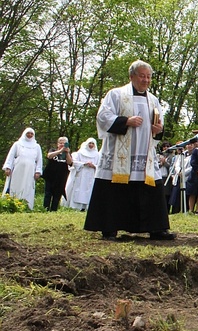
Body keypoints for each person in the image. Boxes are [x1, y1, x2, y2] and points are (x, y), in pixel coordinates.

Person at [84, 60, 174, 241]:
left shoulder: (153, 100)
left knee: (149, 189)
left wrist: (158, 130)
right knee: (114, 190)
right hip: (120, 153)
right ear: (132, 76)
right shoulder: (116, 95)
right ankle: (109, 228)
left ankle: (156, 228)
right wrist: (126, 121)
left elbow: (159, 125)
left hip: (144, 154)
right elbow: (103, 117)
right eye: (142, 76)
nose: (146, 80)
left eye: (148, 77)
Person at [2, 127, 43, 209]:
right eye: (28, 133)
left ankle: (27, 206)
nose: (30, 135)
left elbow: (39, 160)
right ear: (24, 134)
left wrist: (38, 171)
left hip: (30, 171)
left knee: (28, 187)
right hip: (18, 169)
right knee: (16, 186)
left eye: (32, 134)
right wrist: (8, 167)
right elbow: (11, 156)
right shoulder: (17, 144)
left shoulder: (36, 146)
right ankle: (13, 205)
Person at [63, 138, 99, 211]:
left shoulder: (97, 155)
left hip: (91, 175)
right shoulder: (79, 153)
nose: (91, 145)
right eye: (90, 143)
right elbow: (73, 163)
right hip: (81, 174)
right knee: (79, 190)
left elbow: (100, 166)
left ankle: (86, 207)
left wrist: (94, 166)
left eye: (92, 144)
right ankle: (76, 206)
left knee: (89, 190)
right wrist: (84, 164)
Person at [42, 136, 72, 211]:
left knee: (57, 195)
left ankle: (54, 209)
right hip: (50, 176)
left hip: (61, 177)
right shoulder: (53, 150)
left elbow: (70, 163)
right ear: (57, 144)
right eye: (60, 143)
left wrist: (67, 153)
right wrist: (60, 151)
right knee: (48, 194)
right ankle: (45, 209)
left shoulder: (67, 154)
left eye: (64, 143)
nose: (62, 144)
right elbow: (49, 156)